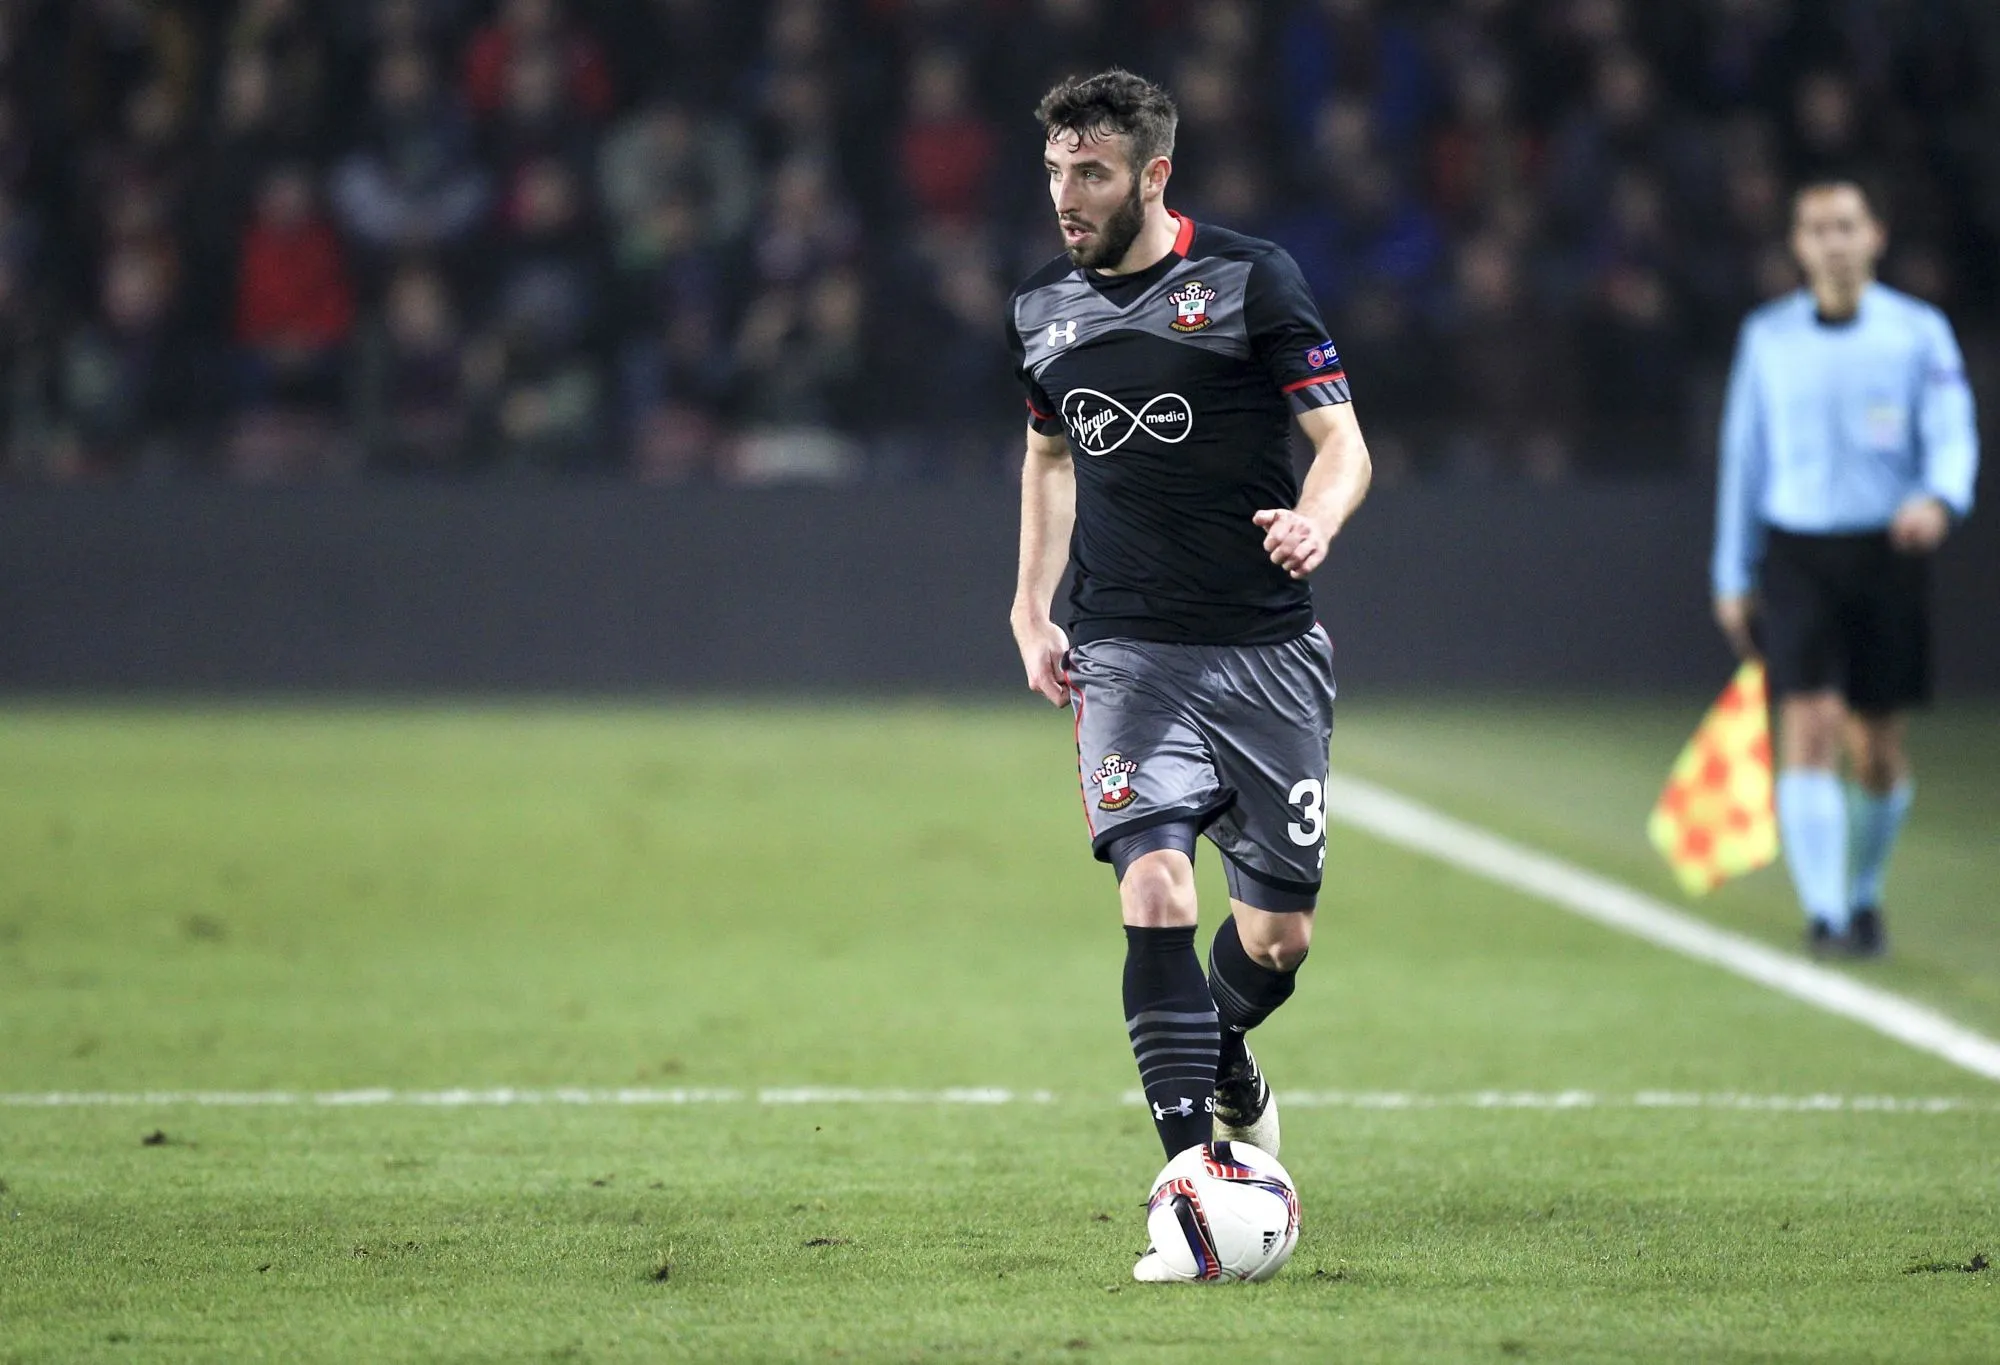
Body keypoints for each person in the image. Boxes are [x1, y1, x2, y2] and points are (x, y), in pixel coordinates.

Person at [1004, 69, 1373, 1282]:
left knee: (1277, 938)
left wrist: (1315, 520)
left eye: (1090, 173)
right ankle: (1185, 1185)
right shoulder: (1039, 310)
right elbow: (1048, 456)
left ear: (1152, 175)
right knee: (1155, 885)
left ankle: (1224, 1057)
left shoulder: (1249, 281)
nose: (1065, 195)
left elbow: (1340, 441)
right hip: (1125, 651)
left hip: (1265, 652)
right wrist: (1030, 605)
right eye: (1054, 170)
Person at [1712, 179, 1979, 956]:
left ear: (1875, 236)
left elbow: (1953, 429)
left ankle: (1864, 895)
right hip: (1799, 551)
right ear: (1798, 245)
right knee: (1811, 721)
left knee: (1878, 747)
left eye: (1846, 226)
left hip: (1887, 550)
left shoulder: (1917, 333)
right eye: (1817, 229)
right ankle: (1825, 914)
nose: (1833, 242)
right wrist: (1732, 572)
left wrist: (1941, 497)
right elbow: (1744, 456)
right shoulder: (1769, 338)